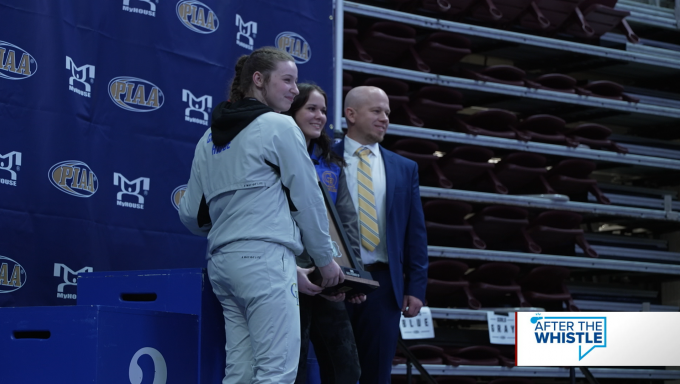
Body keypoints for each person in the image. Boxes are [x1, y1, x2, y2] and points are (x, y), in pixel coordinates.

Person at [178, 47, 344, 384]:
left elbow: (191, 216)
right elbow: (308, 200)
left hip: (223, 263)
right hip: (264, 262)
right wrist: (326, 260)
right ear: (258, 79)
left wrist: (238, 224)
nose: (295, 90)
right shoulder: (278, 126)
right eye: (287, 80)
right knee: (276, 373)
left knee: (240, 373)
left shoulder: (207, 138)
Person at [334, 85, 429, 384]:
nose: (385, 117)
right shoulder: (320, 158)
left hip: (384, 284)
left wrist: (416, 286)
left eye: (387, 111)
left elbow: (415, 232)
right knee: (332, 370)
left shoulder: (404, 168)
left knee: (377, 373)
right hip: (333, 278)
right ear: (351, 114)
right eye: (376, 111)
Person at [283, 83, 363, 384]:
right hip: (290, 277)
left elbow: (347, 224)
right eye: (311, 109)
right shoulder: (274, 156)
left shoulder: (331, 164)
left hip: (330, 279)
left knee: (346, 369)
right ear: (292, 111)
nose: (320, 116)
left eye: (324, 111)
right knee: (295, 370)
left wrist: (352, 277)